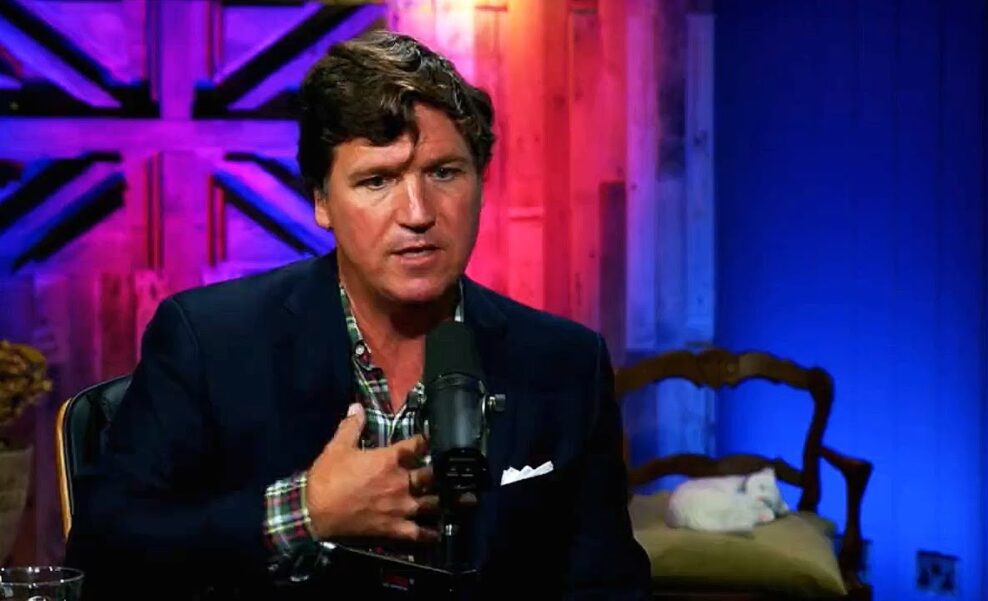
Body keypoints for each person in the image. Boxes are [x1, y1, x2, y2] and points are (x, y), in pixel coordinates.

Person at [65, 30, 651, 599]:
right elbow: (104, 555)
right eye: (377, 180)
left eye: (444, 172)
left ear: (480, 182)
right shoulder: (210, 342)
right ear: (322, 201)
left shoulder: (566, 363)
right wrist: (306, 512)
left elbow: (607, 583)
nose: (417, 212)